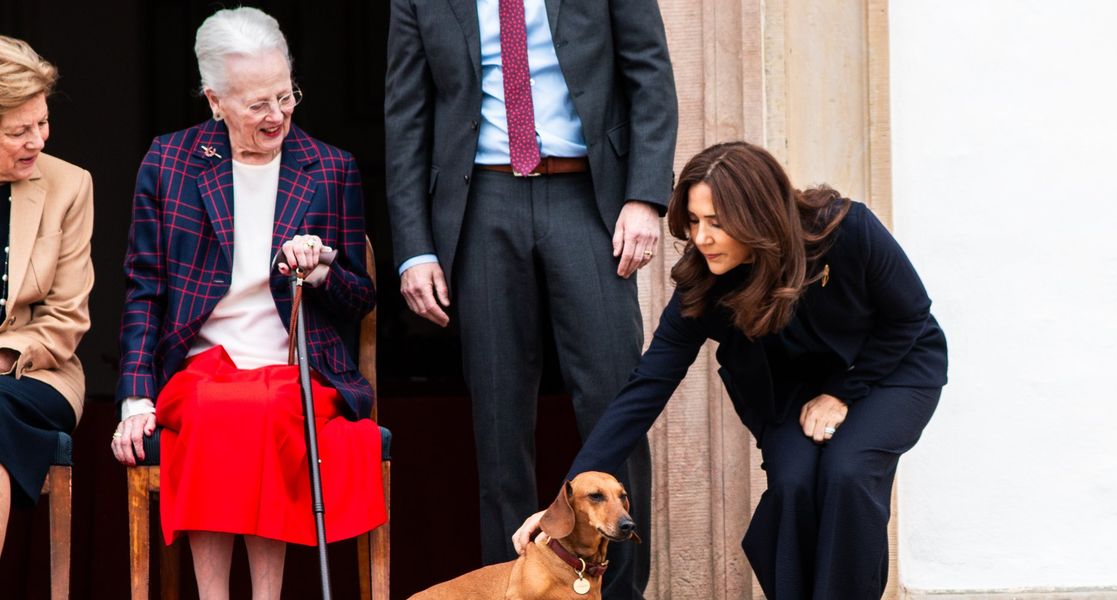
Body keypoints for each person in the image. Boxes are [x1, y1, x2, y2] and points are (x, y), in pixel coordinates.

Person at [514, 141, 949, 600]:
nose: (701, 238)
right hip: (790, 389)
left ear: (759, 215)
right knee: (793, 483)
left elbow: (910, 314)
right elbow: (645, 389)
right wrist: (562, 500)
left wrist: (842, 393)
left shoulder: (845, 229)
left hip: (890, 366)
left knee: (849, 472)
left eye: (717, 223)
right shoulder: (702, 283)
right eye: (695, 221)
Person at [385, 1, 677, 597]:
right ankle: (513, 590)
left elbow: (650, 77)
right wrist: (415, 248)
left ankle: (618, 595)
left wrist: (645, 196)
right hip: (483, 199)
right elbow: (406, 115)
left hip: (587, 198)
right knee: (499, 420)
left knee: (613, 400)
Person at [110, 8, 385, 598]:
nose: (278, 115)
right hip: (198, 367)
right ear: (214, 100)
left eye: (286, 96)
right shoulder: (170, 161)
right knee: (218, 409)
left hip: (298, 369)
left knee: (266, 412)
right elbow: (144, 288)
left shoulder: (331, 168)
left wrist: (324, 269)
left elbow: (360, 300)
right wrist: (135, 395)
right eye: (258, 103)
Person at [0, 35, 93, 559]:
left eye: (42, 123)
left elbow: (66, 318)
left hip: (37, 374)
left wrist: (5, 355)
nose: (38, 139)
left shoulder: (70, 185)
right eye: (19, 131)